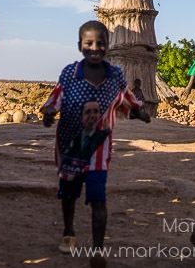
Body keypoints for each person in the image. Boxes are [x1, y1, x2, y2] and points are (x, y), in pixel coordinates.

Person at [40, 20, 150, 267]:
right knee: (68, 193)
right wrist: (49, 113)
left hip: (99, 147)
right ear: (80, 45)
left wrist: (141, 113)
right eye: (89, 43)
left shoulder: (114, 76)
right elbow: (56, 98)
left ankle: (98, 250)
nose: (95, 48)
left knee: (98, 196)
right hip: (70, 145)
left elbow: (128, 100)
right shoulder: (70, 74)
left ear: (108, 46)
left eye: (101, 43)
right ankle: (68, 232)